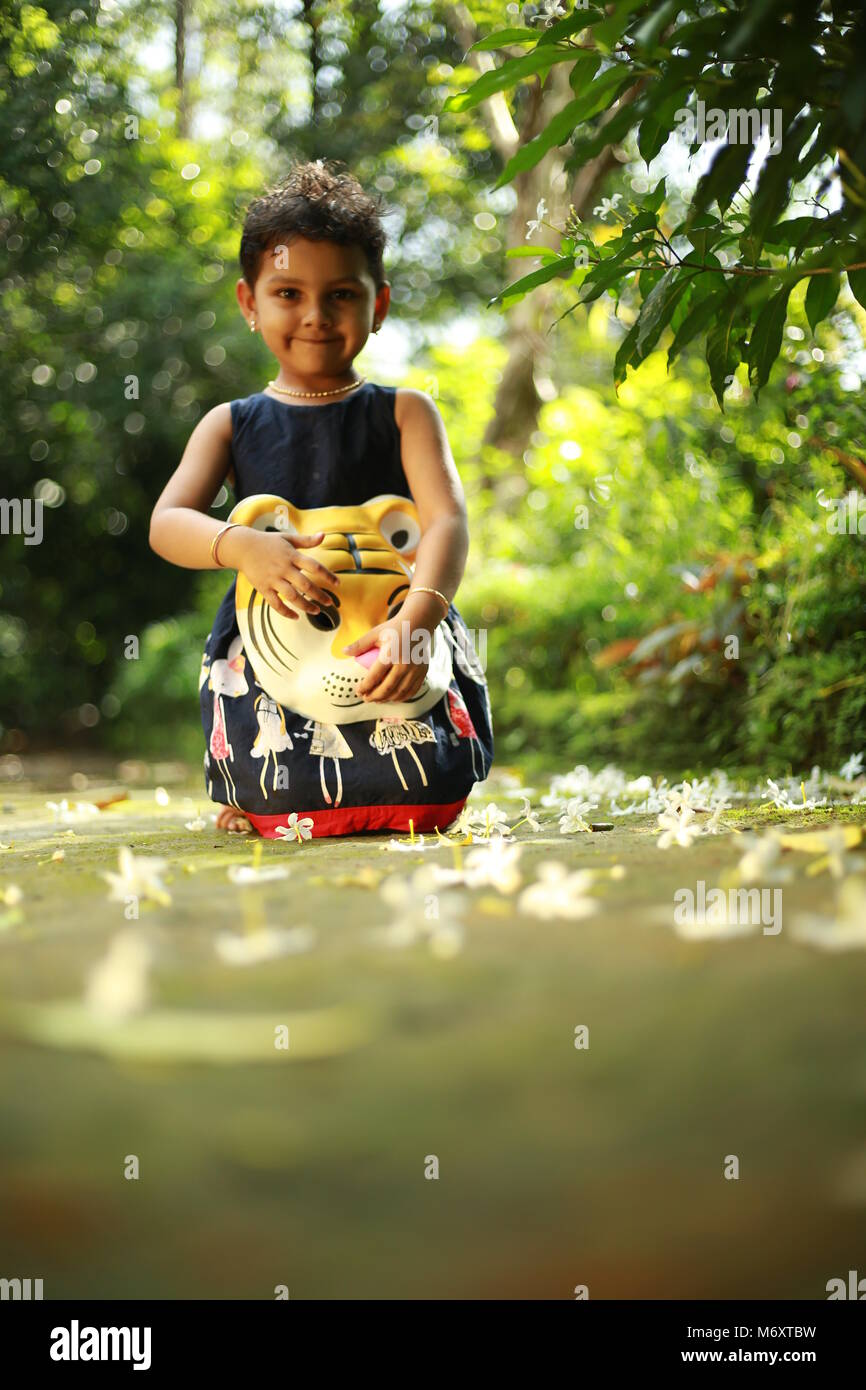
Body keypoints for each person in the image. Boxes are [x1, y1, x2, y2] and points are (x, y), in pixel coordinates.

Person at [149, 159, 493, 840]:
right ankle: (257, 797)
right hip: (277, 633)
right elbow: (167, 523)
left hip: (392, 627)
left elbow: (447, 518)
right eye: (287, 294)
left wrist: (421, 617)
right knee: (273, 770)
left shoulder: (406, 413)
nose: (314, 315)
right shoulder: (230, 422)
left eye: (340, 294)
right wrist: (239, 545)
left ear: (380, 305)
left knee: (422, 774)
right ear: (249, 303)